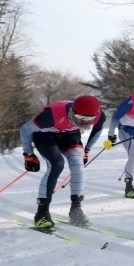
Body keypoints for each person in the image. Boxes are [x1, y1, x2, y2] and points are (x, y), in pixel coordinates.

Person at [20, 95, 106, 229]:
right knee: (56, 164)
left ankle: (76, 210)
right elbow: (25, 129)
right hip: (45, 135)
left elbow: (97, 130)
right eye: (82, 118)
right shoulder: (50, 116)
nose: (85, 123)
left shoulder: (99, 116)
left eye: (90, 119)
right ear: (73, 111)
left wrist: (87, 150)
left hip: (69, 135)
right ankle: (42, 213)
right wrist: (28, 154)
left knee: (78, 166)